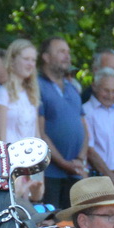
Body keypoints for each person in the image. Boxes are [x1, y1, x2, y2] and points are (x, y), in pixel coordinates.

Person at [33, 38, 90, 208]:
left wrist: (80, 159)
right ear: (46, 57)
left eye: (68, 52)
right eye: (61, 52)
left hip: (75, 173)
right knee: (53, 224)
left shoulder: (73, 88)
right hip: (50, 173)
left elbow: (84, 129)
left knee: (72, 226)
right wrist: (64, 164)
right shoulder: (36, 86)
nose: (67, 56)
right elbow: (40, 132)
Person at [82, 68, 114, 190]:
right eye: (106, 90)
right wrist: (112, 177)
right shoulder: (86, 112)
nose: (110, 96)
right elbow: (90, 151)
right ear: (94, 87)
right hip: (98, 179)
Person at [0, 39, 41, 144]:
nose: (30, 64)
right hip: (8, 157)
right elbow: (0, 140)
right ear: (12, 60)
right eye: (26, 59)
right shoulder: (2, 92)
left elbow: (36, 135)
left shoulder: (31, 94)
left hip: (28, 157)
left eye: (33, 60)